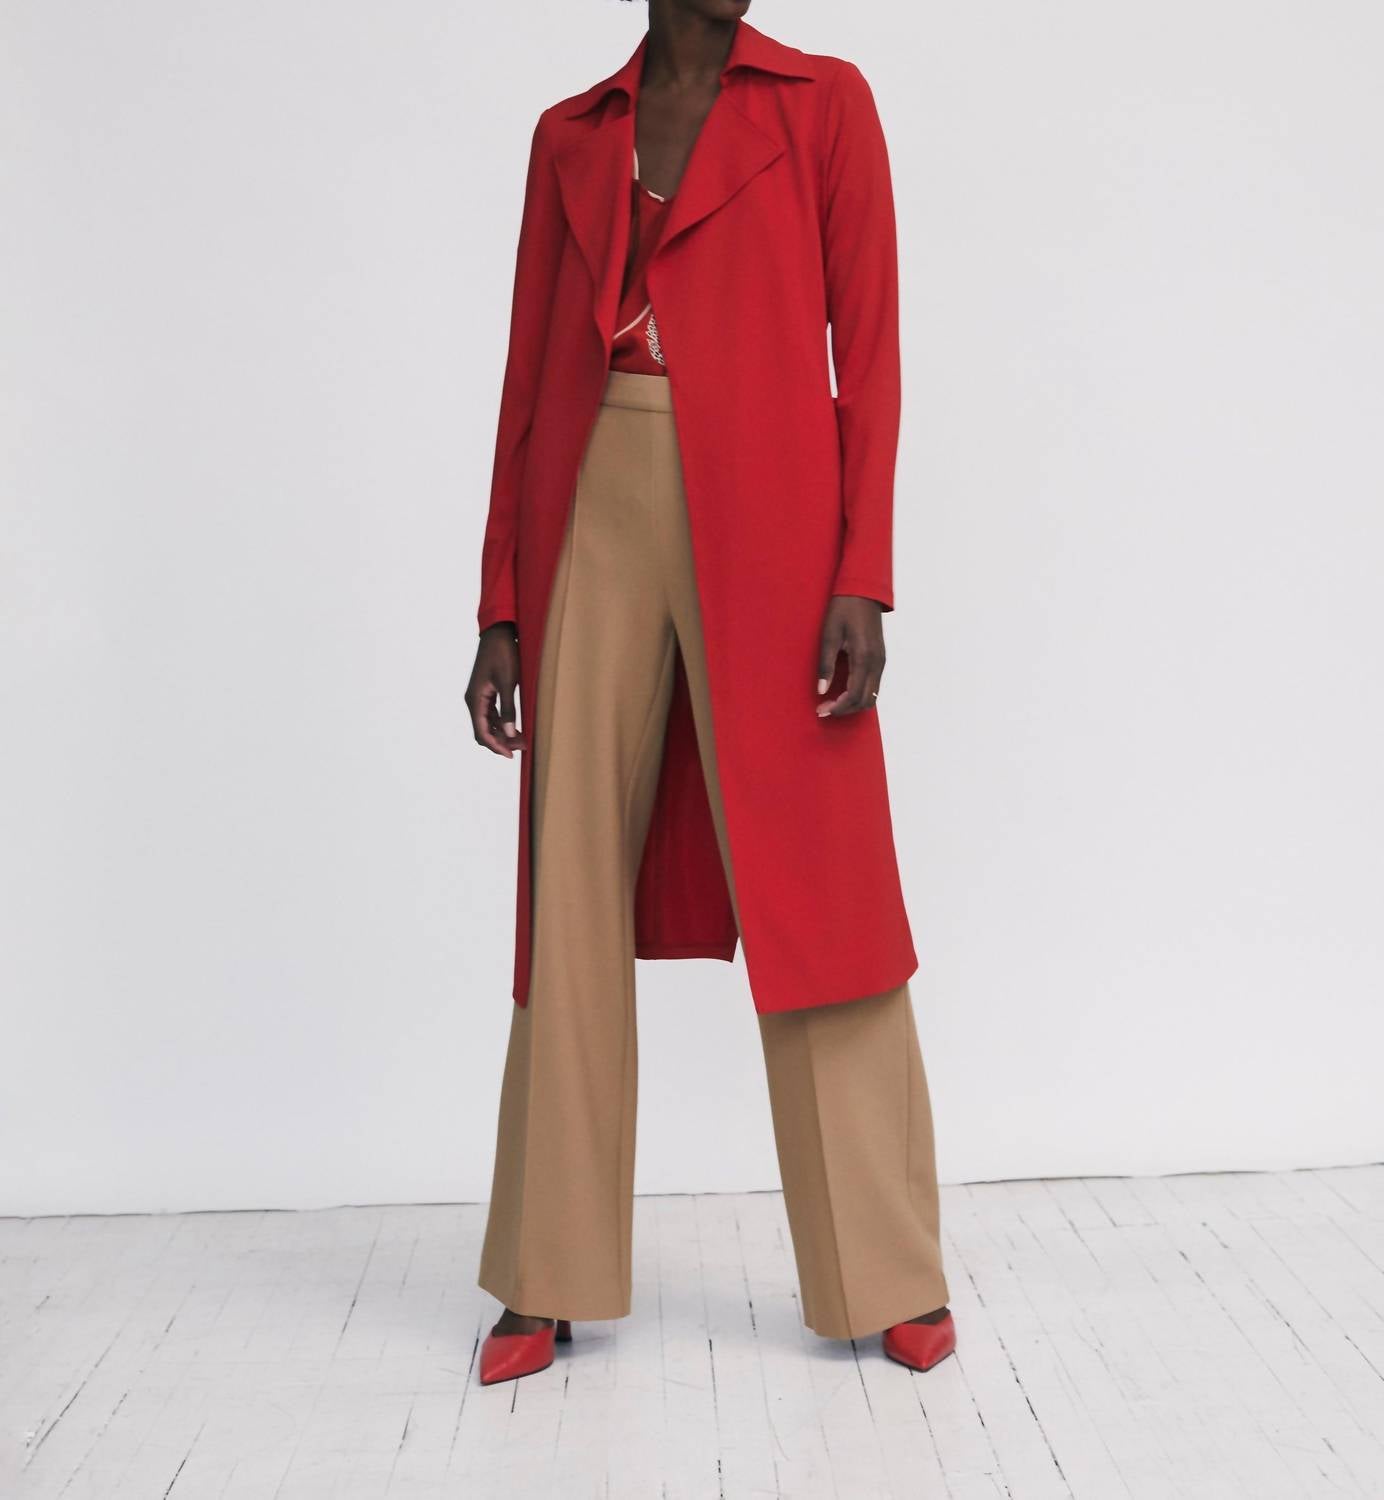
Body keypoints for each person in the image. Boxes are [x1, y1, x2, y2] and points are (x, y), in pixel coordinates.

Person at [466, 0, 955, 1385]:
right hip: (589, 497)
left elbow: (872, 350)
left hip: (777, 514)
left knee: (817, 884)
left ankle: (887, 1269)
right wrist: (501, 602)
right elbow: (525, 375)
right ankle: (543, 1273)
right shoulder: (573, 134)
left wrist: (863, 570)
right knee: (568, 883)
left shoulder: (824, 103)